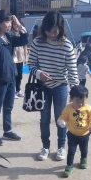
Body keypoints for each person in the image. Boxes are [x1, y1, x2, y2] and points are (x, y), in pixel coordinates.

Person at [28, 11, 79, 161]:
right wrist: (39, 74)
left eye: (55, 31)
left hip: (61, 86)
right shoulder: (37, 42)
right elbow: (31, 64)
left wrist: (75, 92)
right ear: (44, 28)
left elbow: (72, 70)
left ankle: (61, 147)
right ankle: (45, 146)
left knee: (60, 118)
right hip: (43, 86)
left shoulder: (66, 45)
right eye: (48, 30)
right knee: (44, 118)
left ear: (61, 28)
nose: (51, 34)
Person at [0, 10, 28, 146]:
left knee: (8, 107)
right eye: (6, 22)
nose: (8, 24)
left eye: (9, 22)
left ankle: (7, 130)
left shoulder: (8, 37)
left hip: (11, 78)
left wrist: (19, 26)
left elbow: (25, 39)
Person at [57, 85, 91, 178]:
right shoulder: (68, 108)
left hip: (85, 134)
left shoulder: (88, 108)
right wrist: (61, 121)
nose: (80, 104)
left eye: (82, 102)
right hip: (72, 134)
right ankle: (69, 166)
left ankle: (83, 159)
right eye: (77, 101)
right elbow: (63, 116)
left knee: (84, 149)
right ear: (71, 99)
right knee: (71, 151)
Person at [12, 18, 28, 99]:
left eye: (17, 24)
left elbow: (25, 46)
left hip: (20, 58)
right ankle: (13, 91)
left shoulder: (21, 34)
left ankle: (18, 90)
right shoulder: (10, 34)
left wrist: (26, 57)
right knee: (14, 75)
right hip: (13, 59)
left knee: (20, 75)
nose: (15, 26)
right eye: (14, 24)